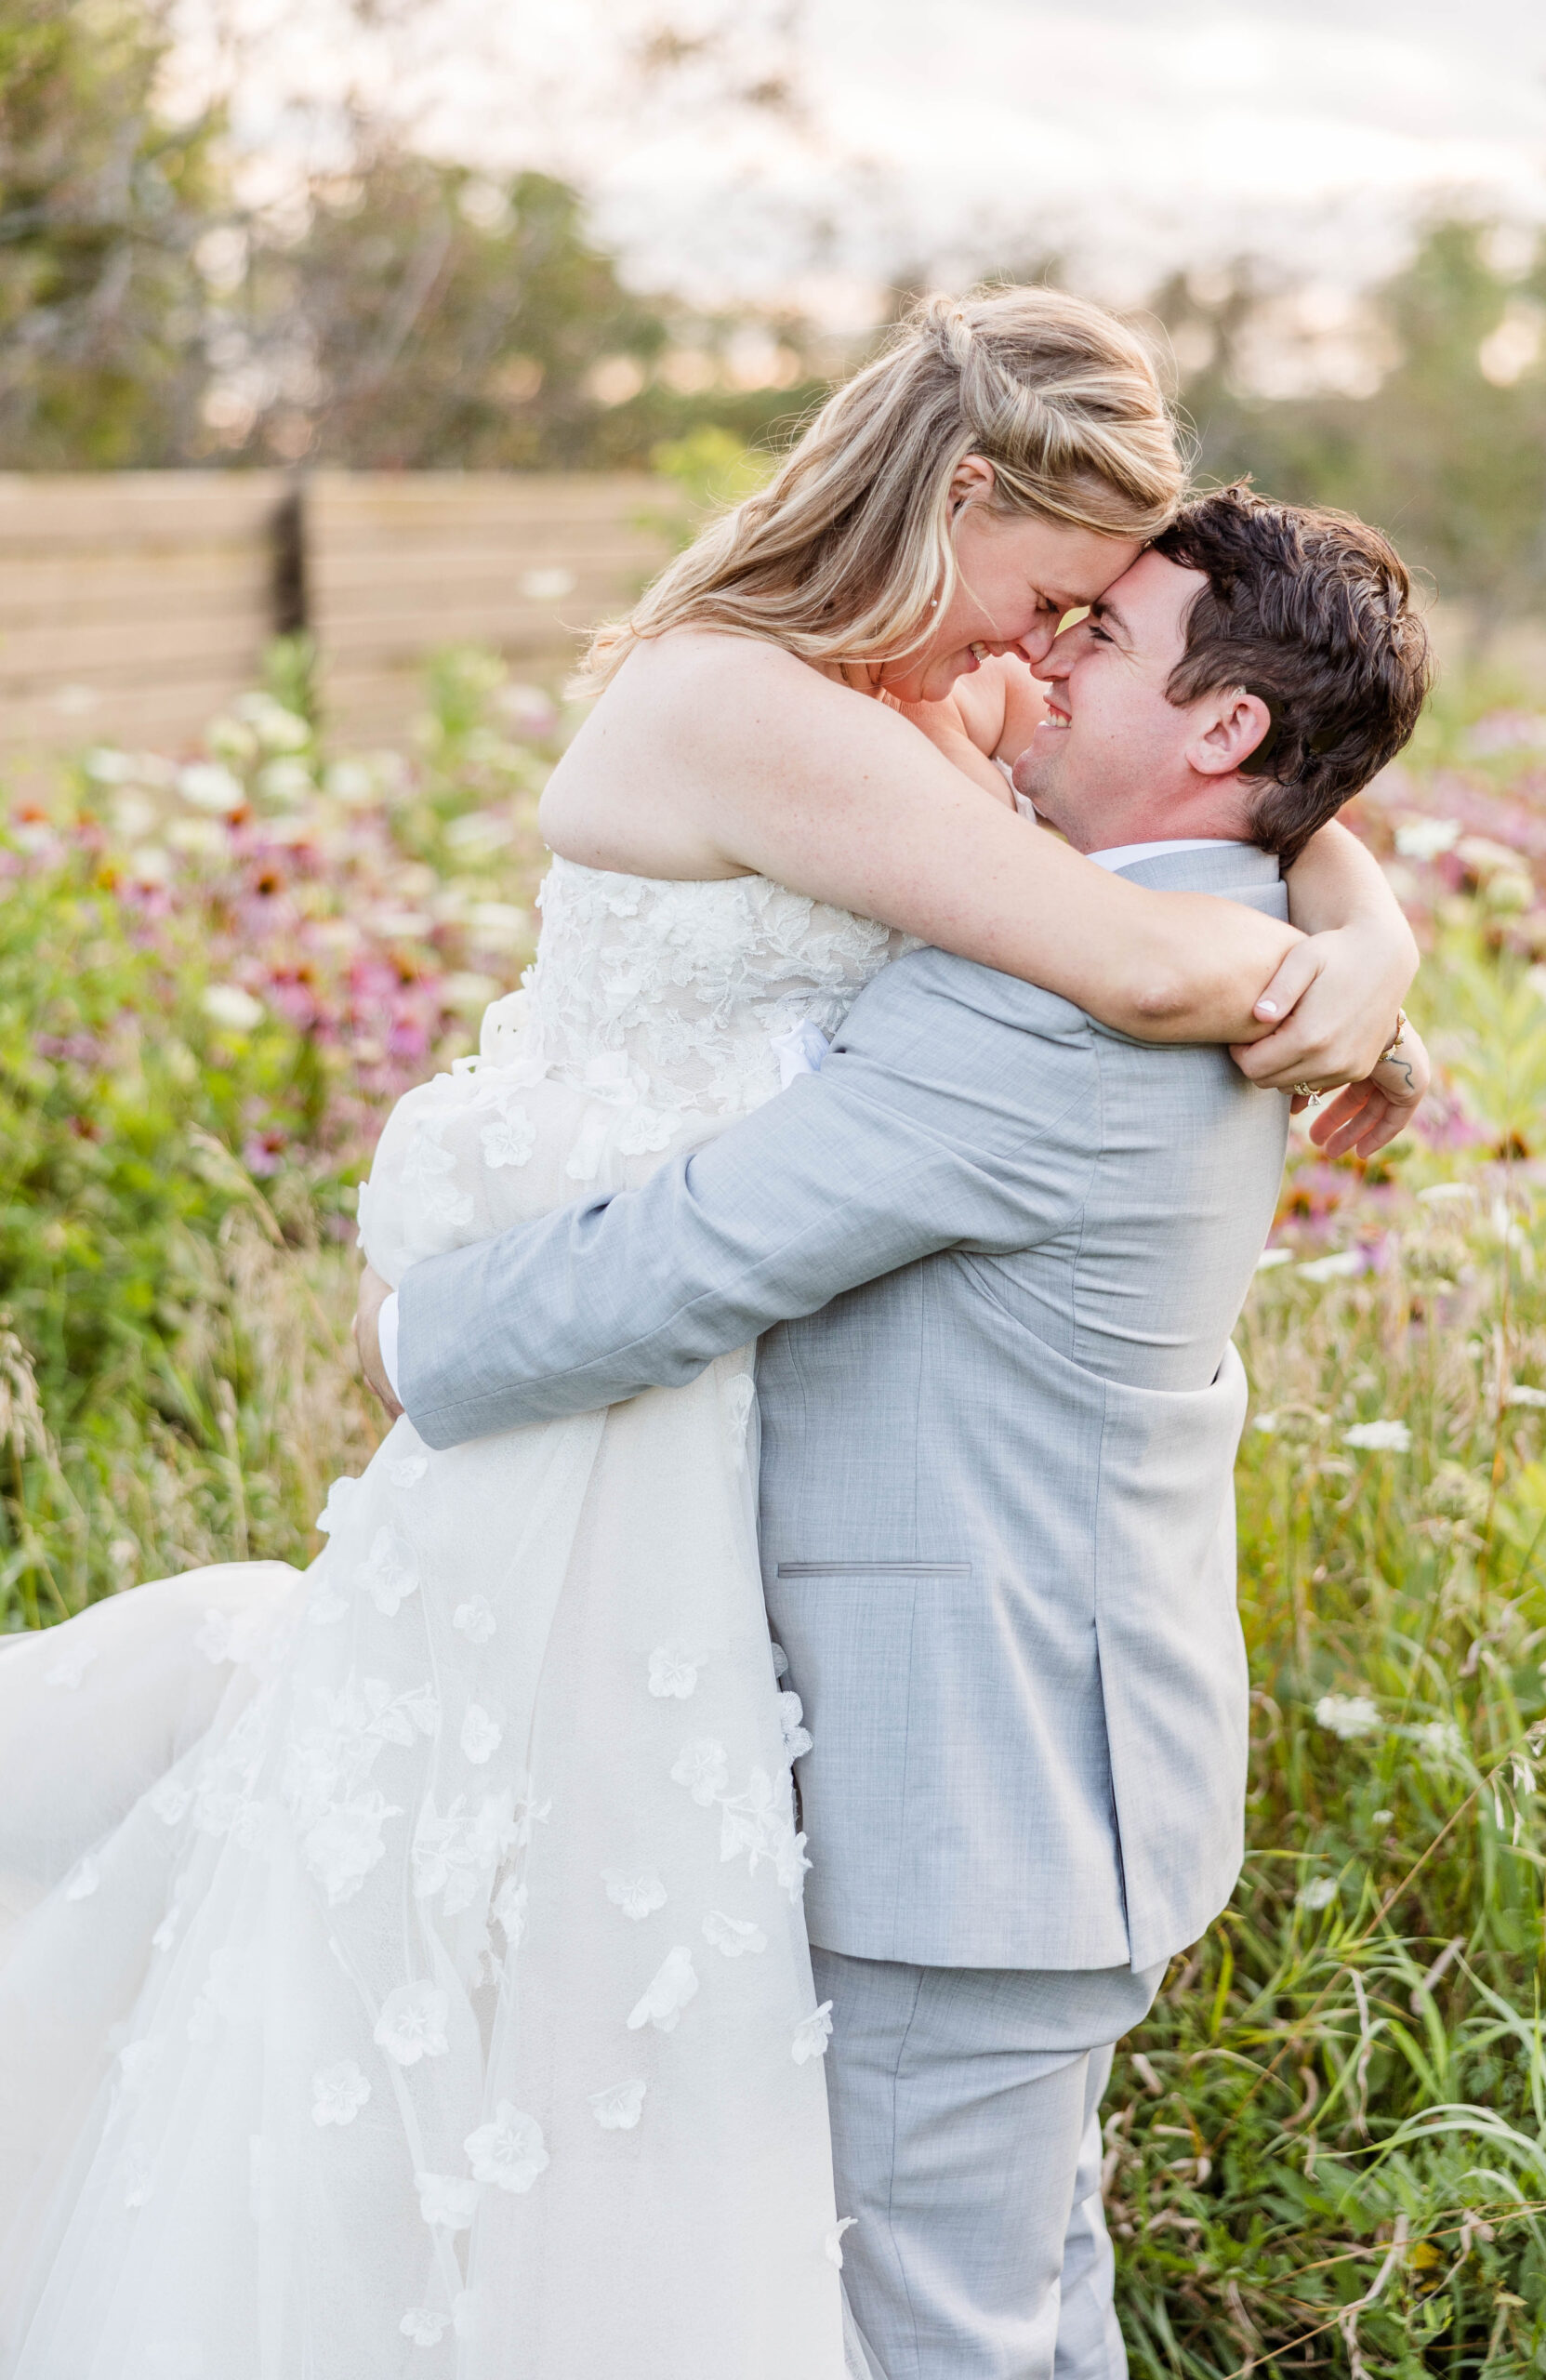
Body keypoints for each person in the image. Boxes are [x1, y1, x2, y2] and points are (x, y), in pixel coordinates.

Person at [0, 291, 1417, 2380]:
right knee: (878, 2237)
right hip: (752, 1590)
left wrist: (1344, 932)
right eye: (1052, 601)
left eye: (1084, 634)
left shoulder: (1058, 936)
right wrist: (1340, 948)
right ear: (953, 499)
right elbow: (1166, 871)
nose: (1039, 664)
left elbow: (745, 1214)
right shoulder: (785, 718)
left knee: (915, 2286)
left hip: (919, 1707)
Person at [363, 483, 1433, 2380]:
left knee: (939, 2327)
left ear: (1223, 730)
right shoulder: (1201, 922)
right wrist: (1373, 925)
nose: (1040, 659)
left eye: (1096, 637)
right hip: (1045, 1765)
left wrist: (412, 1329)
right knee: (1018, 2294)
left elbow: (690, 1256)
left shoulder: (1068, 1016)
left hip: (978, 1798)